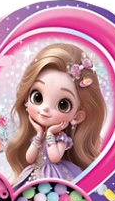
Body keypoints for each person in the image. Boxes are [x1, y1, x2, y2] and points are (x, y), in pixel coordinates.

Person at [6, 43, 107, 188]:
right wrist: (39, 134)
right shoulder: (38, 137)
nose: (45, 108)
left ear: (77, 116)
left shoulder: (62, 138)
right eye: (37, 97)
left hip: (56, 177)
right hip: (33, 176)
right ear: (26, 100)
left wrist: (50, 134)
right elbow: (30, 158)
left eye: (63, 105)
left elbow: (54, 157)